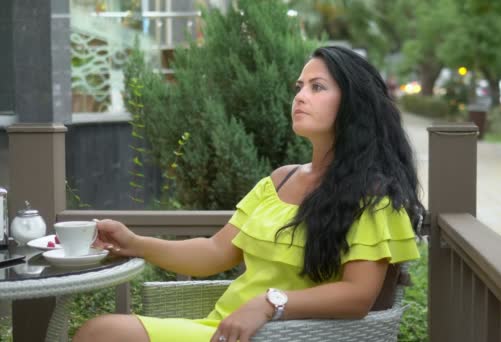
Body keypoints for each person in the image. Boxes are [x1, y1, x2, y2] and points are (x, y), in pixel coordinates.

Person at [73, 46, 423, 342]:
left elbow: (357, 296)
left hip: (273, 334)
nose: (300, 96)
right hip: (221, 327)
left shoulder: (374, 197)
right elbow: (213, 252)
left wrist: (271, 303)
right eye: (299, 87)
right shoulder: (280, 181)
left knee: (100, 333)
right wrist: (133, 242)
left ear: (353, 106)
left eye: (318, 88)